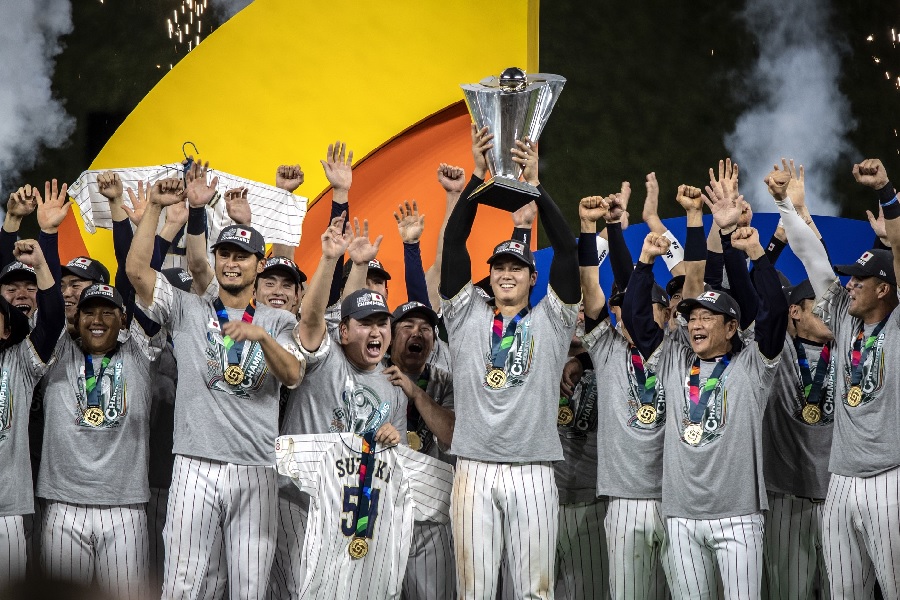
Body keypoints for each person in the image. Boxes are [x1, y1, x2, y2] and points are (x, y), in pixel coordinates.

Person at [125, 174, 303, 599]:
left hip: (256, 467)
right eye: (225, 254)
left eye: (242, 256)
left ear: (260, 266)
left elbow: (294, 375)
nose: (231, 262)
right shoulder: (187, 307)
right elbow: (135, 271)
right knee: (183, 583)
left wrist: (261, 337)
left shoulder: (279, 321)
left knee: (249, 587)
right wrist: (153, 208)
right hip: (193, 464)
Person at [624, 165, 788, 599]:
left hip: (738, 517)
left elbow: (774, 312)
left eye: (706, 318)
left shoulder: (755, 365)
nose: (695, 324)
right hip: (679, 516)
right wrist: (643, 264)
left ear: (732, 327)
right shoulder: (676, 360)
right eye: (691, 317)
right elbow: (639, 322)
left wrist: (755, 252)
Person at [439, 124, 580, 599]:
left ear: (531, 277)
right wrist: (480, 182)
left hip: (535, 470)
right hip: (474, 468)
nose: (505, 274)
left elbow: (569, 250)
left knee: (534, 593)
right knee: (474, 591)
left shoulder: (552, 320)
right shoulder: (465, 317)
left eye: (515, 268)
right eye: (498, 267)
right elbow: (454, 247)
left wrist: (536, 187)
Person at [268, 213, 405, 600]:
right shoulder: (326, 355)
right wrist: (334, 258)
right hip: (298, 501)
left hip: (354, 510)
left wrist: (394, 440)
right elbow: (313, 317)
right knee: (301, 590)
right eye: (364, 323)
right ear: (343, 332)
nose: (375, 331)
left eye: (382, 323)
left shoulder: (392, 387)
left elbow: (397, 469)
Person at [784, 157, 900, 598]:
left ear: (885, 288)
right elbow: (812, 258)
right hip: (840, 480)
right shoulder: (846, 321)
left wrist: (887, 192)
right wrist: (786, 208)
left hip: (889, 476)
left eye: (861, 281)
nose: (849, 286)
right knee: (842, 593)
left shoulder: (898, 323)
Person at [37, 283, 160, 598]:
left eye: (108, 312)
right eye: (89, 312)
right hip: (64, 504)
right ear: (76, 319)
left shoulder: (139, 355)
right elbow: (50, 310)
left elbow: (134, 278)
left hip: (125, 508)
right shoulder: (58, 351)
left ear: (122, 319)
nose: (98, 320)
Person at [578, 195, 667, 600]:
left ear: (666, 314)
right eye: (621, 307)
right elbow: (591, 286)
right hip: (623, 502)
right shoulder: (606, 348)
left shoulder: (680, 351)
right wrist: (591, 229)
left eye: (643, 308)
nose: (628, 314)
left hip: (676, 499)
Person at [0, 237, 65, 587]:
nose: (21, 293)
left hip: (8, 510)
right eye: (12, 288)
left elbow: (53, 317)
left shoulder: (21, 360)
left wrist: (42, 264)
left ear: (7, 328)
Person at [384, 300, 456, 600]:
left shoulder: (444, 381)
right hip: (382, 514)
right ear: (390, 334)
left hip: (430, 519)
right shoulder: (374, 375)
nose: (418, 333)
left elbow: (450, 434)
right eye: (408, 327)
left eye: (426, 329)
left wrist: (415, 392)